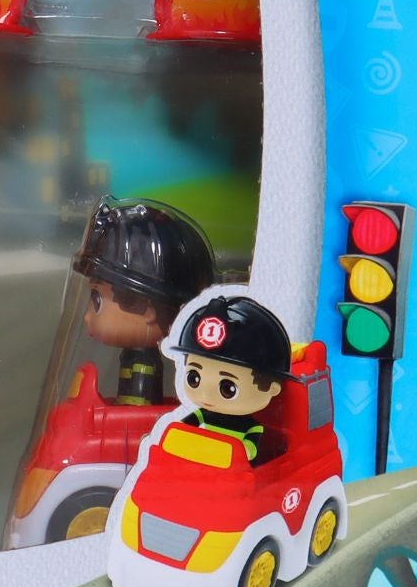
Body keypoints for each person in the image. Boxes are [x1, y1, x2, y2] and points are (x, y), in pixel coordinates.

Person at [72, 198, 216, 405]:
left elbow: (137, 406)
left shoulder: (143, 361)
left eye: (97, 300)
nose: (86, 317)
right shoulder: (133, 354)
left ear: (145, 309)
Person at [172, 292, 294, 464]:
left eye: (228, 388)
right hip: (201, 463)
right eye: (194, 378)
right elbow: (181, 429)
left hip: (235, 470)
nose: (206, 395)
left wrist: (237, 450)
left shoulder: (253, 427)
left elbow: (250, 451)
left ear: (272, 388)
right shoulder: (203, 414)